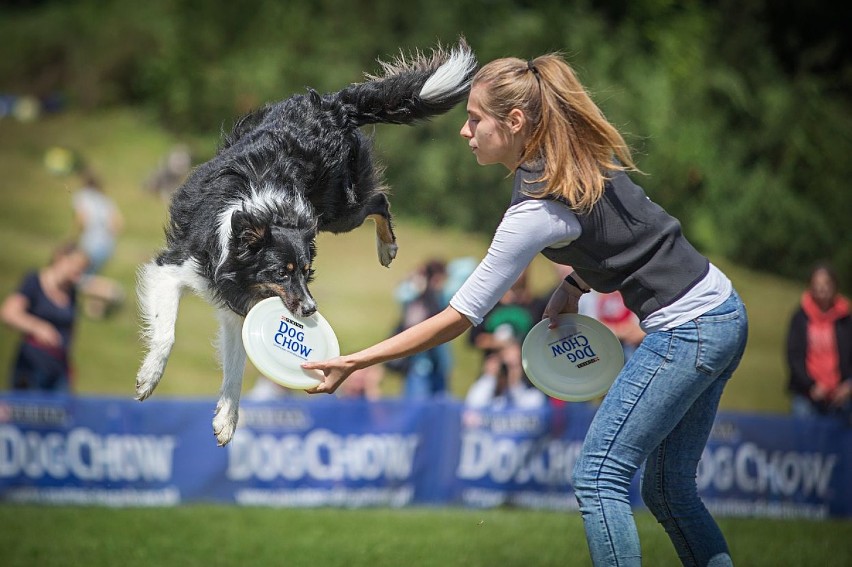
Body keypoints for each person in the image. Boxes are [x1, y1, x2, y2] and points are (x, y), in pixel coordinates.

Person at [302, 53, 748, 566]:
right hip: (723, 311)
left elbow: (456, 319)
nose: (464, 132)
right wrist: (577, 284)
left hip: (687, 331)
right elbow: (629, 236)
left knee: (599, 474)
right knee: (669, 491)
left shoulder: (535, 210)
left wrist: (354, 361)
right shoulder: (578, 156)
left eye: (474, 119)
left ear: (514, 123)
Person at [1, 242, 90, 392]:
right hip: (31, 367)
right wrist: (38, 327)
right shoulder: (34, 282)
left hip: (59, 369)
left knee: (63, 413)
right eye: (76, 270)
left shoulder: (72, 292)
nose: (78, 277)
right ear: (61, 259)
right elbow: (8, 313)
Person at [786, 262, 852, 421]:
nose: (822, 289)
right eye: (817, 284)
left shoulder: (846, 318)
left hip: (841, 397)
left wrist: (848, 385)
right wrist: (810, 385)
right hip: (807, 396)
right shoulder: (801, 317)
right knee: (805, 444)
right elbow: (793, 355)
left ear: (835, 286)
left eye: (826, 284)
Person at [71, 168, 125, 318]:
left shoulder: (82, 196)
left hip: (90, 243)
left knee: (79, 279)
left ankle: (113, 291)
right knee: (93, 274)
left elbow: (82, 220)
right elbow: (118, 224)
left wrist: (74, 238)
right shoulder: (106, 201)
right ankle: (96, 310)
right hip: (107, 245)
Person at [464, 341, 545, 410]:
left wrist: (515, 383)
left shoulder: (534, 396)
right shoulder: (485, 391)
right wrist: (490, 377)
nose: (505, 371)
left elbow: (528, 412)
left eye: (513, 365)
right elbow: (473, 408)